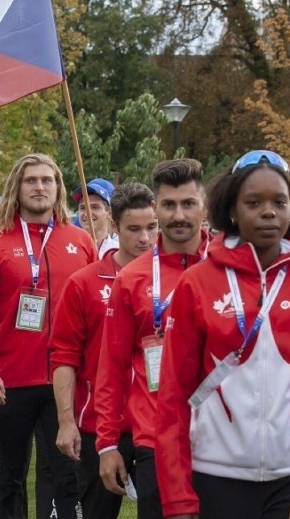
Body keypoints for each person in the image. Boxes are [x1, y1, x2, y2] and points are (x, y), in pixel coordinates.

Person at [154, 150, 290, 518]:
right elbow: (173, 397)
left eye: (279, 201)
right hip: (216, 474)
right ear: (232, 209)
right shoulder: (197, 282)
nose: (268, 212)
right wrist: (179, 498)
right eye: (253, 202)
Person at [0, 153, 97, 519]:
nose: (40, 187)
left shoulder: (81, 240)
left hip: (66, 377)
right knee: (9, 476)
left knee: (66, 474)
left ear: (57, 189)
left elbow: (97, 311)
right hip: (9, 379)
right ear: (15, 189)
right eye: (31, 180)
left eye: (47, 180)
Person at [95, 159, 210, 518]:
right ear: (157, 208)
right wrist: (107, 443)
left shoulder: (231, 268)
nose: (179, 215)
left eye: (188, 203)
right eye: (169, 205)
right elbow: (111, 367)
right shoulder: (132, 279)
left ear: (204, 206)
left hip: (224, 440)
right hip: (156, 439)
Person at [51, 182, 158, 518]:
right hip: (99, 425)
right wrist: (66, 421)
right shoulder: (83, 283)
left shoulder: (175, 279)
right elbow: (64, 357)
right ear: (114, 226)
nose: (145, 238)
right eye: (134, 229)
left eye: (152, 227)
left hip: (158, 425)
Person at [72, 178, 118, 258]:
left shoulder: (119, 251)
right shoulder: (69, 248)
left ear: (109, 213)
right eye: (83, 208)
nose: (87, 213)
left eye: (95, 207)